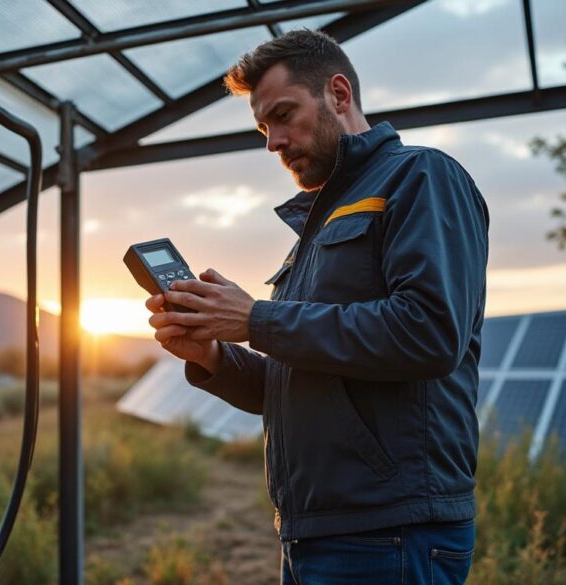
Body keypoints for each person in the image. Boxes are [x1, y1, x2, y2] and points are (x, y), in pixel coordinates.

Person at [145, 29, 489, 585]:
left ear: (338, 93)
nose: (273, 142)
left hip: (391, 533)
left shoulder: (421, 177)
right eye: (263, 126)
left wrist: (256, 319)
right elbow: (299, 386)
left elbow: (429, 333)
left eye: (284, 114)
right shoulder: (317, 225)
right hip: (317, 531)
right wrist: (212, 355)